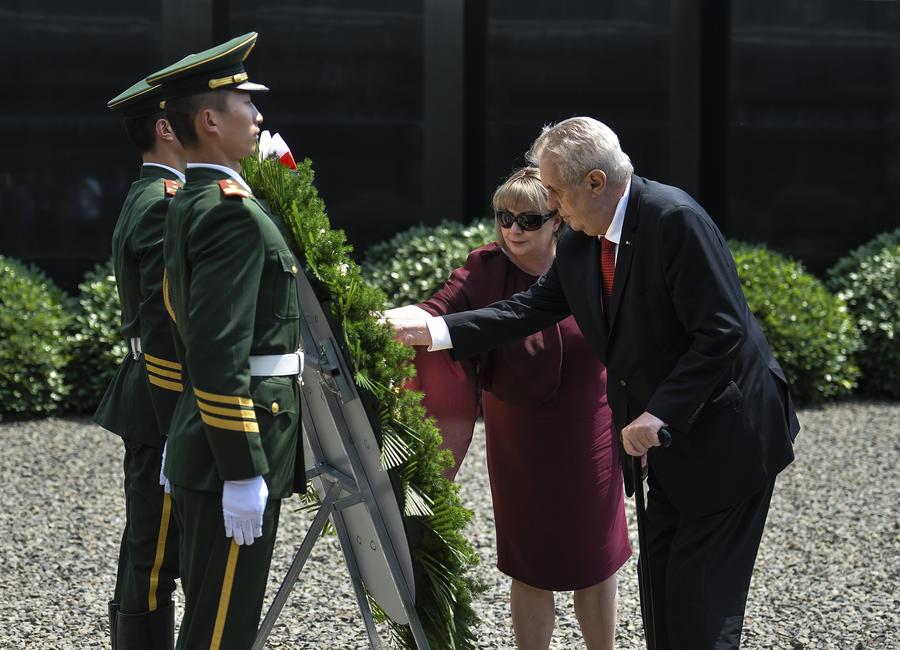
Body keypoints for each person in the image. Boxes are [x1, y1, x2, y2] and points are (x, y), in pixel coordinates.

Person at [389, 117, 800, 650]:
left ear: (596, 184)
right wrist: (435, 330)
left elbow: (721, 334)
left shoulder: (674, 219)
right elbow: (530, 308)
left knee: (702, 612)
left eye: (555, 194)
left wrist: (659, 412)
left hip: (729, 437)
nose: (551, 208)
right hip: (665, 445)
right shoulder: (584, 241)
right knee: (662, 608)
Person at [388, 167, 631, 650]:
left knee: (596, 558)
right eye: (504, 217)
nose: (513, 230)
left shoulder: (596, 260)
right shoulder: (484, 267)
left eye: (529, 219)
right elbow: (438, 310)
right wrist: (384, 320)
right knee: (529, 561)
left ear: (557, 220)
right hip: (518, 435)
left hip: (590, 426)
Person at [147, 32, 304, 650]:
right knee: (220, 630)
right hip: (233, 449)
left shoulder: (194, 199)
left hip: (206, 439)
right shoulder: (230, 211)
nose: (259, 116)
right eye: (246, 103)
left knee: (214, 616)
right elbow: (217, 349)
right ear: (210, 120)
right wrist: (242, 469)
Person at [96, 77, 186, 649]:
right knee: (154, 553)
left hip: (153, 395)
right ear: (164, 128)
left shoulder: (154, 194)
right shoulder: (162, 204)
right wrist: (181, 416)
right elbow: (163, 325)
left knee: (149, 543)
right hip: (162, 398)